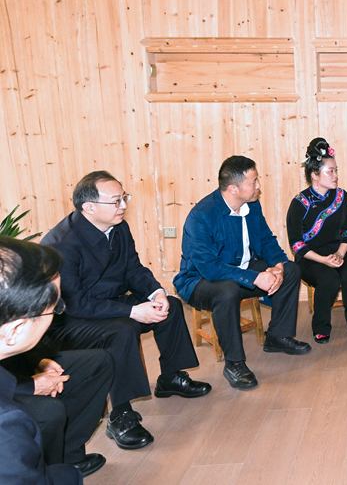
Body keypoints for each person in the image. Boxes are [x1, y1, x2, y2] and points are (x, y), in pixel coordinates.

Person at [42, 171, 210, 451]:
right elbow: (76, 304)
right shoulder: (61, 244)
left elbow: (133, 269)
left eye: (124, 198)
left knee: (169, 306)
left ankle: (170, 377)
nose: (123, 206)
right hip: (69, 321)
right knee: (123, 328)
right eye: (115, 201)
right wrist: (132, 311)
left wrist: (156, 292)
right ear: (89, 207)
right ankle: (120, 415)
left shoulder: (118, 227)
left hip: (108, 303)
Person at [175, 156, 307, 391]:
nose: (258, 186)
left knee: (291, 270)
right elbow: (210, 268)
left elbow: (266, 240)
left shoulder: (252, 205)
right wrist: (255, 277)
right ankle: (234, 363)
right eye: (253, 182)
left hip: (242, 271)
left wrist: (278, 265)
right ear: (233, 189)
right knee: (227, 291)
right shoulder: (201, 216)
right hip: (200, 281)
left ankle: (278, 336)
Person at [0, 236, 82, 484]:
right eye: (55, 308)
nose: (57, 313)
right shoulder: (7, 424)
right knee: (68, 475)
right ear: (14, 331)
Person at [287, 138, 347, 344]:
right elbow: (296, 244)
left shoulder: (342, 197)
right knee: (329, 279)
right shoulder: (299, 203)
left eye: (336, 170)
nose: (336, 175)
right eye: (330, 171)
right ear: (314, 175)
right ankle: (321, 327)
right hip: (311, 257)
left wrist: (340, 254)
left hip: (339, 251)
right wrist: (323, 260)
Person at [3, 346, 112, 477]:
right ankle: (48, 473)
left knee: (98, 362)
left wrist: (37, 360)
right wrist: (30, 386)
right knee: (49, 411)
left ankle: (69, 456)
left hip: (9, 366)